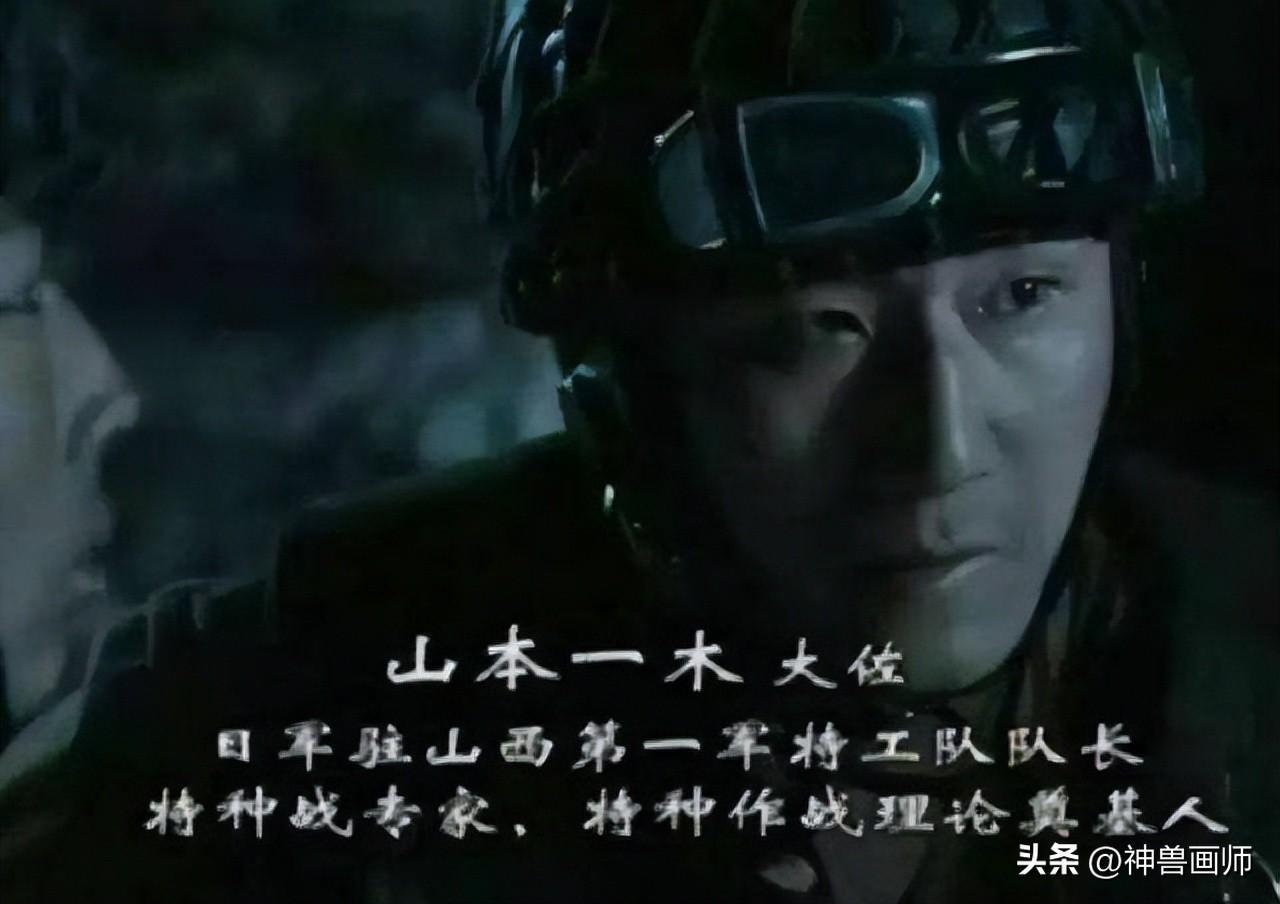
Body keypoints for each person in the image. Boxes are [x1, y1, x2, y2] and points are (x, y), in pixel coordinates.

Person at [6, 1, 1275, 902]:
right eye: (813, 330)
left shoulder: (1234, 668)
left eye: (1022, 298)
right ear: (634, 382)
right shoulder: (286, 713)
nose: (940, 440)